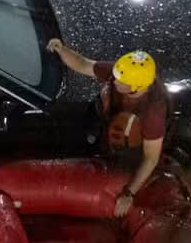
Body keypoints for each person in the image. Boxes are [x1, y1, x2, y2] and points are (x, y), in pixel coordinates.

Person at [47, 39, 169, 218]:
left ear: (136, 87)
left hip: (133, 144)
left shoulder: (153, 111)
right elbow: (84, 64)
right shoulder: (123, 74)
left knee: (128, 141)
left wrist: (129, 193)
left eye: (121, 82)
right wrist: (61, 50)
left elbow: (151, 158)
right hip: (115, 124)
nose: (114, 81)